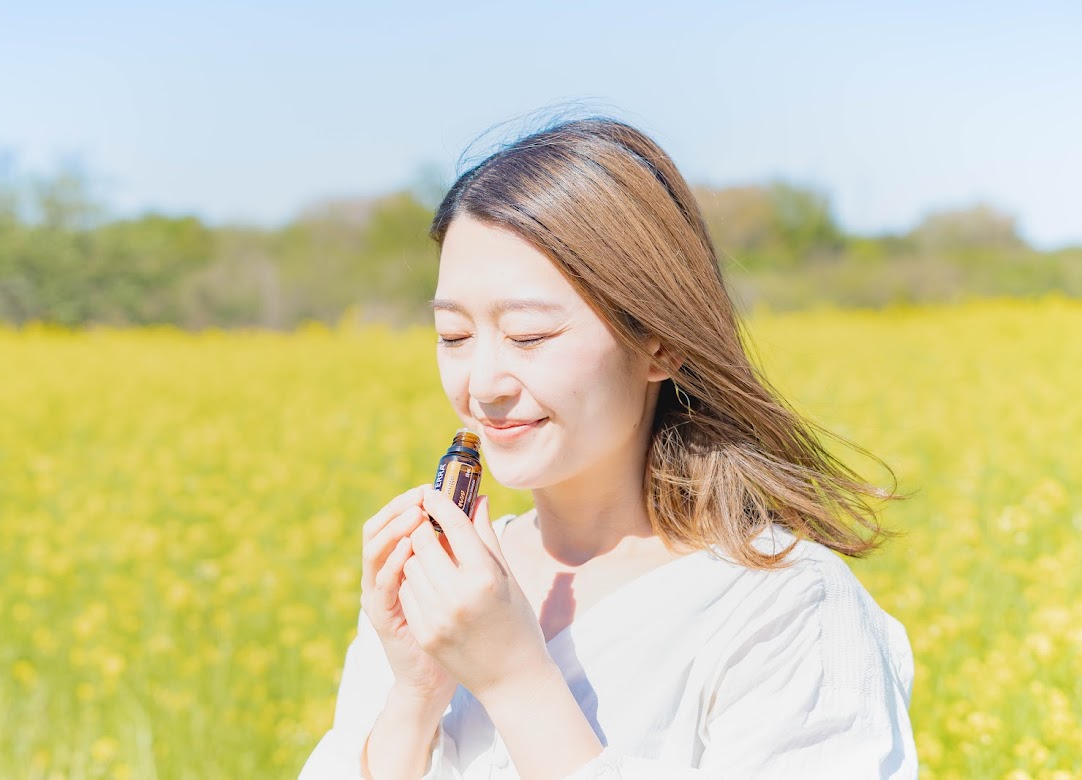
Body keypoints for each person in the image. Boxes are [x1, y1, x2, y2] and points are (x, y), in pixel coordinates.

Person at [299, 116, 916, 779]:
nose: (481, 385)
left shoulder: (783, 606)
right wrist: (416, 692)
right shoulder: (446, 584)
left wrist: (515, 680)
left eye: (529, 335)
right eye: (453, 335)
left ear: (659, 341)